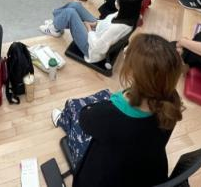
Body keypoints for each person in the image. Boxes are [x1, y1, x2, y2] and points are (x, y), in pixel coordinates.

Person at [50, 34, 184, 187]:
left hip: (106, 178)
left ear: (133, 73)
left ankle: (63, 118)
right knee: (103, 96)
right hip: (143, 172)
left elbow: (84, 118)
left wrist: (121, 96)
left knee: (73, 107)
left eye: (128, 53)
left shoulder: (109, 115)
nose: (125, 51)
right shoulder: (172, 103)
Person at [39, 0, 140, 64]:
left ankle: (54, 28)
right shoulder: (127, 14)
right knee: (75, 5)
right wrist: (95, 24)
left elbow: (98, 47)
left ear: (124, 6)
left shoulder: (119, 27)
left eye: (118, 0)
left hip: (91, 48)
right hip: (97, 32)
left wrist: (89, 29)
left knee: (70, 13)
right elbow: (106, 23)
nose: (116, 1)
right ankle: (56, 23)